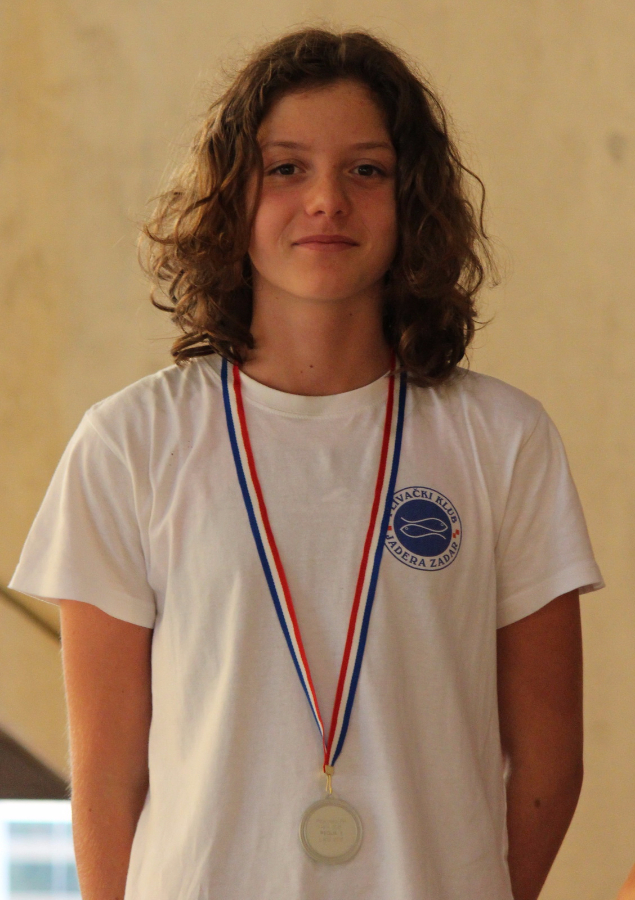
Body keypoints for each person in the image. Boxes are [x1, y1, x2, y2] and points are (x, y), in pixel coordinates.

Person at [10, 26, 603, 900]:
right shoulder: (130, 442)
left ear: (413, 201)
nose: (326, 199)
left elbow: (550, 755)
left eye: (366, 169)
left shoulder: (502, 438)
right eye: (285, 167)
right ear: (232, 199)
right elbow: (106, 774)